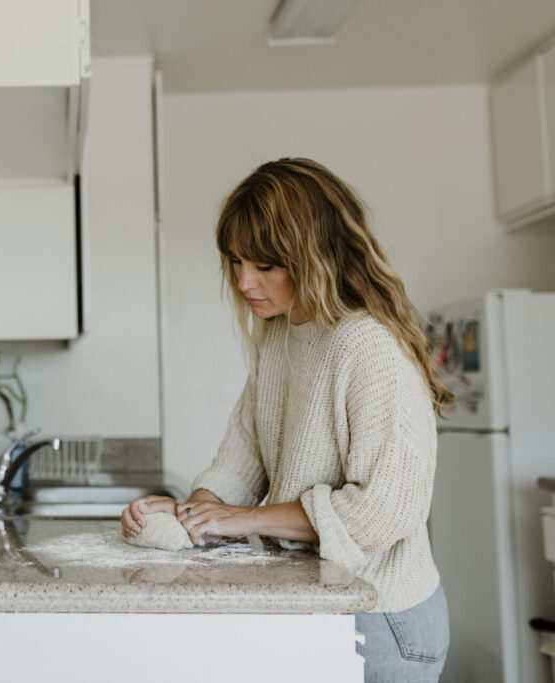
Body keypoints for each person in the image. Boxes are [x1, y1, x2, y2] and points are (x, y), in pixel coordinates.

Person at [122, 158, 452, 682]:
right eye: (234, 261)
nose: (244, 281)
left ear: (314, 257)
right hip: (324, 608)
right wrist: (194, 512)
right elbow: (243, 457)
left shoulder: (367, 346)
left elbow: (384, 511)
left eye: (265, 265)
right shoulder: (282, 336)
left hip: (383, 620)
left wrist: (246, 519)